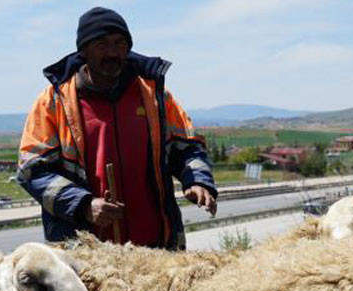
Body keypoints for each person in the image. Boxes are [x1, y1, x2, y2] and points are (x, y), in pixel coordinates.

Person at [17, 7, 217, 249]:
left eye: (120, 44)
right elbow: (32, 170)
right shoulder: (53, 102)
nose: (112, 52)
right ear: (83, 51)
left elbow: (187, 147)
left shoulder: (155, 96)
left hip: (155, 247)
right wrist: (83, 205)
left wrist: (197, 180)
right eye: (102, 44)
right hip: (84, 254)